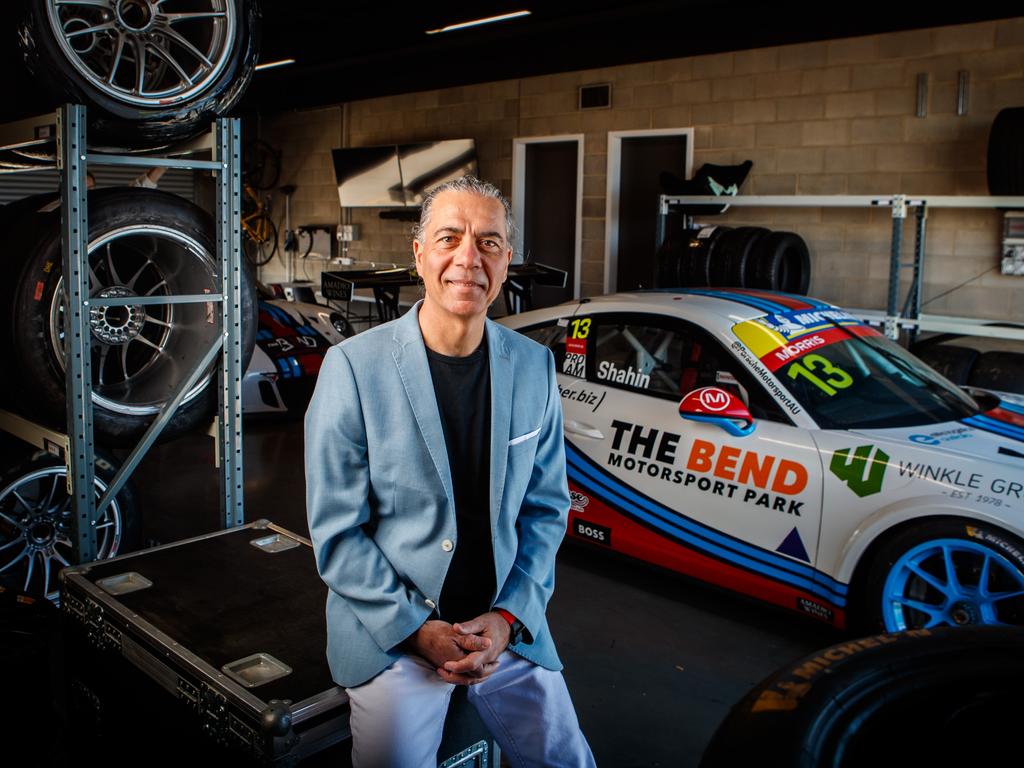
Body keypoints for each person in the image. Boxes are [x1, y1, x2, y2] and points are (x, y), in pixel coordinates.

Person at [305, 175, 594, 768]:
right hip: (395, 638)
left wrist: (509, 618)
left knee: (570, 760)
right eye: (449, 238)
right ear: (419, 254)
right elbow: (338, 535)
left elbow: (545, 509)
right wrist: (418, 630)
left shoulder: (534, 366)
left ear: (507, 260)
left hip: (500, 630)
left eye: (488, 242)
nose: (469, 258)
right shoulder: (353, 369)